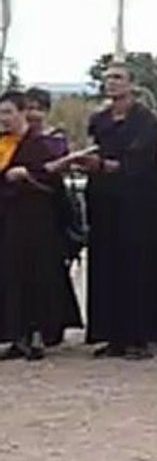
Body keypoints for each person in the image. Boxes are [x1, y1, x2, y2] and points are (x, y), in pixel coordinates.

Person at [83, 62, 157, 359]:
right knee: (107, 266)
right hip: (104, 203)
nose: (112, 84)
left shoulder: (146, 122)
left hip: (138, 206)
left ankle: (139, 337)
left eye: (118, 78)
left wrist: (113, 167)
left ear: (131, 84)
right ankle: (113, 335)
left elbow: (146, 162)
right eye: (108, 78)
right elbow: (93, 148)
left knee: (136, 268)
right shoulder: (99, 120)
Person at [0, 91, 78, 360]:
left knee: (36, 277)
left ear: (23, 113)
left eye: (9, 112)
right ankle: (15, 335)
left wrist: (28, 175)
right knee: (10, 278)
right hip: (7, 221)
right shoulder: (3, 144)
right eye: (1, 113)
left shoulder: (38, 144)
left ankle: (37, 334)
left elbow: (51, 183)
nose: (4, 119)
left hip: (36, 223)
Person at [23, 87, 84, 339]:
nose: (32, 114)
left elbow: (57, 169)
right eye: (28, 108)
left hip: (49, 211)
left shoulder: (54, 139)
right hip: (19, 212)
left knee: (50, 270)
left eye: (37, 108)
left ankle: (51, 325)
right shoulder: (12, 140)